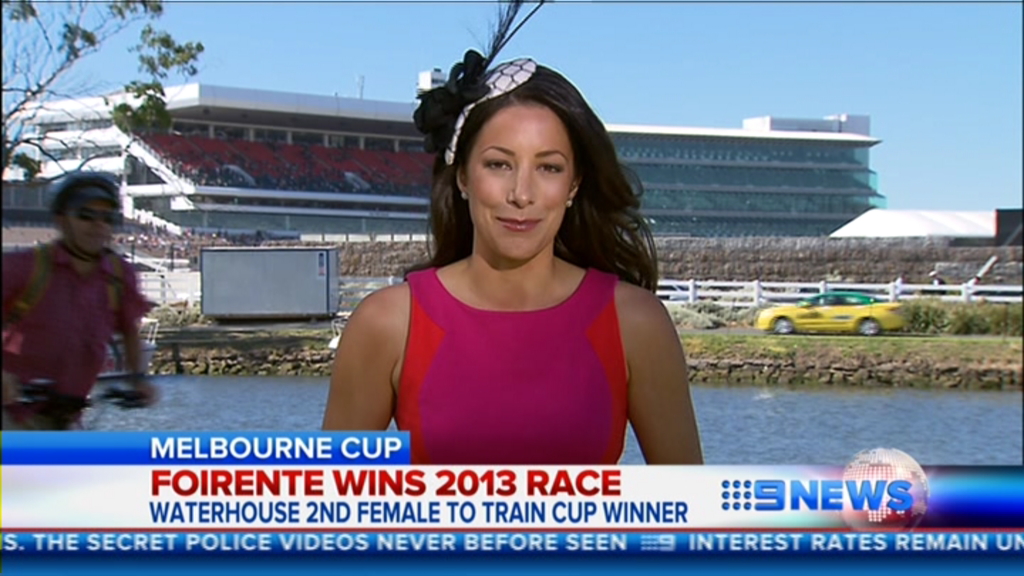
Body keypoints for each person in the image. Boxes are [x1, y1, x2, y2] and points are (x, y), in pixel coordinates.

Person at [322, 1, 702, 465]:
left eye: (549, 167)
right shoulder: (386, 324)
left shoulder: (636, 324)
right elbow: (332, 502)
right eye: (499, 164)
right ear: (463, 176)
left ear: (574, 185)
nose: (522, 194)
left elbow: (692, 505)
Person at [2, 170, 158, 430]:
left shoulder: (119, 275)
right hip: (12, 413)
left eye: (107, 218)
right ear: (61, 220)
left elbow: (129, 329)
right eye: (85, 215)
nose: (98, 225)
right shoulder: (26, 267)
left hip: (67, 417)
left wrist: (138, 379)